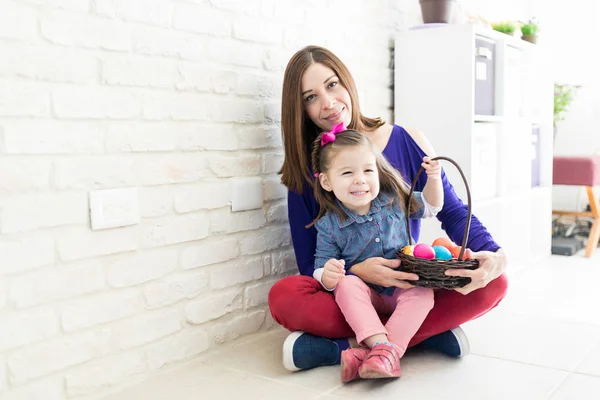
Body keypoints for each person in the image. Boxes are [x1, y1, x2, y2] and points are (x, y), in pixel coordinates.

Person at [268, 45, 508, 373]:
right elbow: (311, 265)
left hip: (409, 285)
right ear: (300, 110)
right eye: (310, 97)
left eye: (332, 84)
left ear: (348, 83)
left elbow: (449, 210)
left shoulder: (407, 140)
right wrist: (356, 272)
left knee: (494, 283)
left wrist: (493, 252)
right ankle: (420, 337)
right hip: (351, 295)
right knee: (285, 295)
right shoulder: (307, 171)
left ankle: (347, 348)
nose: (327, 102)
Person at [309, 126, 442, 381]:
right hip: (367, 298)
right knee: (347, 285)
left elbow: (431, 207)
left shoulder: (394, 200)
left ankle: (371, 352)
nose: (360, 179)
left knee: (423, 292)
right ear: (327, 181)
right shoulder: (329, 224)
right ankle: (383, 350)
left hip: (402, 287)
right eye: (347, 172)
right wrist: (328, 275)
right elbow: (319, 267)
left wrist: (434, 179)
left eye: (368, 170)